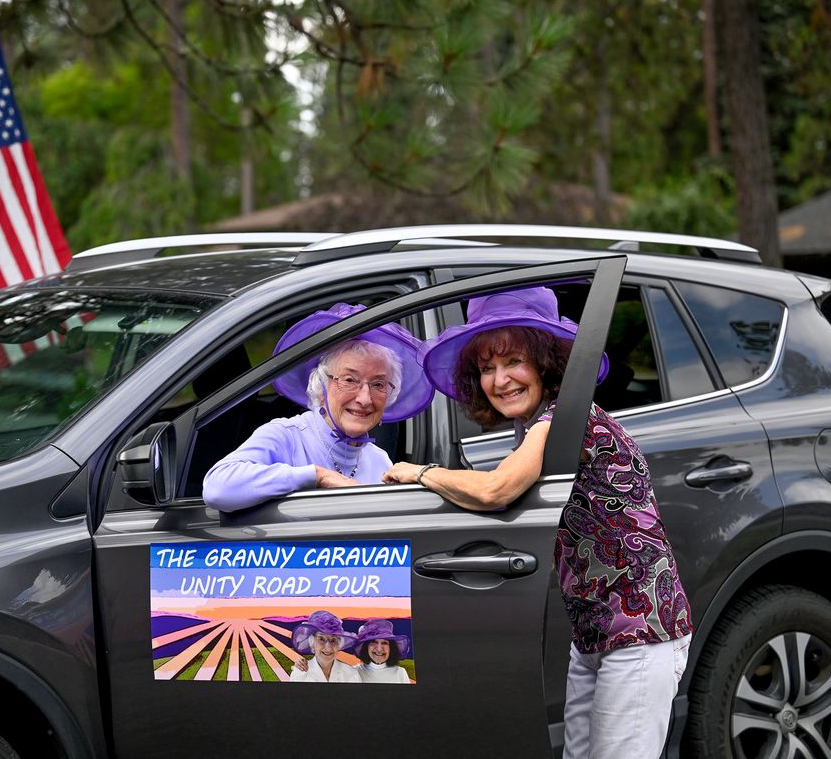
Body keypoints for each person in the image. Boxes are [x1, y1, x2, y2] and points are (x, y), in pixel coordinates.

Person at [382, 286, 693, 758]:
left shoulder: (565, 421)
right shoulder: (539, 426)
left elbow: (494, 490)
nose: (500, 379)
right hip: (596, 635)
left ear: (547, 362)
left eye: (513, 362)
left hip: (639, 632)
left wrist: (418, 472)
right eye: (487, 368)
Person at [203, 303, 432, 512]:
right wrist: (316, 476)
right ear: (320, 388)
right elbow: (217, 488)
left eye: (378, 384)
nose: (365, 398)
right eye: (349, 380)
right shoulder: (286, 436)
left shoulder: (380, 460)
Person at [288, 610, 362, 683]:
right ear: (312, 642)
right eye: (321, 639)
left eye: (333, 640)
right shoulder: (299, 673)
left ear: (339, 644)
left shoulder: (352, 674)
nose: (328, 647)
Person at [352, 619, 411, 683]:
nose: (379, 649)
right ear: (366, 647)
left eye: (384, 643)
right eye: (374, 642)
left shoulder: (400, 673)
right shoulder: (354, 672)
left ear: (391, 648)